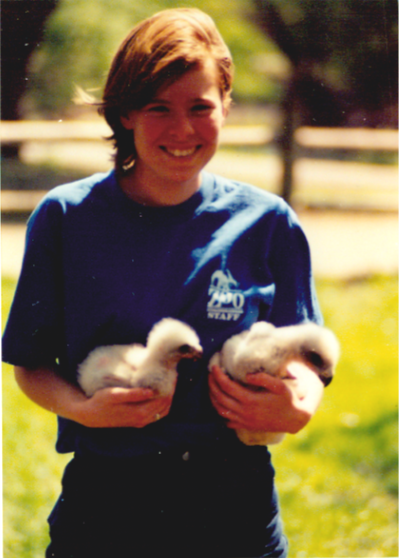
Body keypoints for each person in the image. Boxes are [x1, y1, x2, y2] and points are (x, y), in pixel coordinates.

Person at [2, 8, 326, 558]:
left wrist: (300, 406)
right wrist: (82, 410)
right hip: (104, 515)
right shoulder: (66, 218)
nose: (182, 130)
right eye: (158, 108)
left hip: (237, 517)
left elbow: (312, 360)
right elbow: (29, 365)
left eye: (201, 107)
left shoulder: (267, 223)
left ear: (226, 106)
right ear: (125, 112)